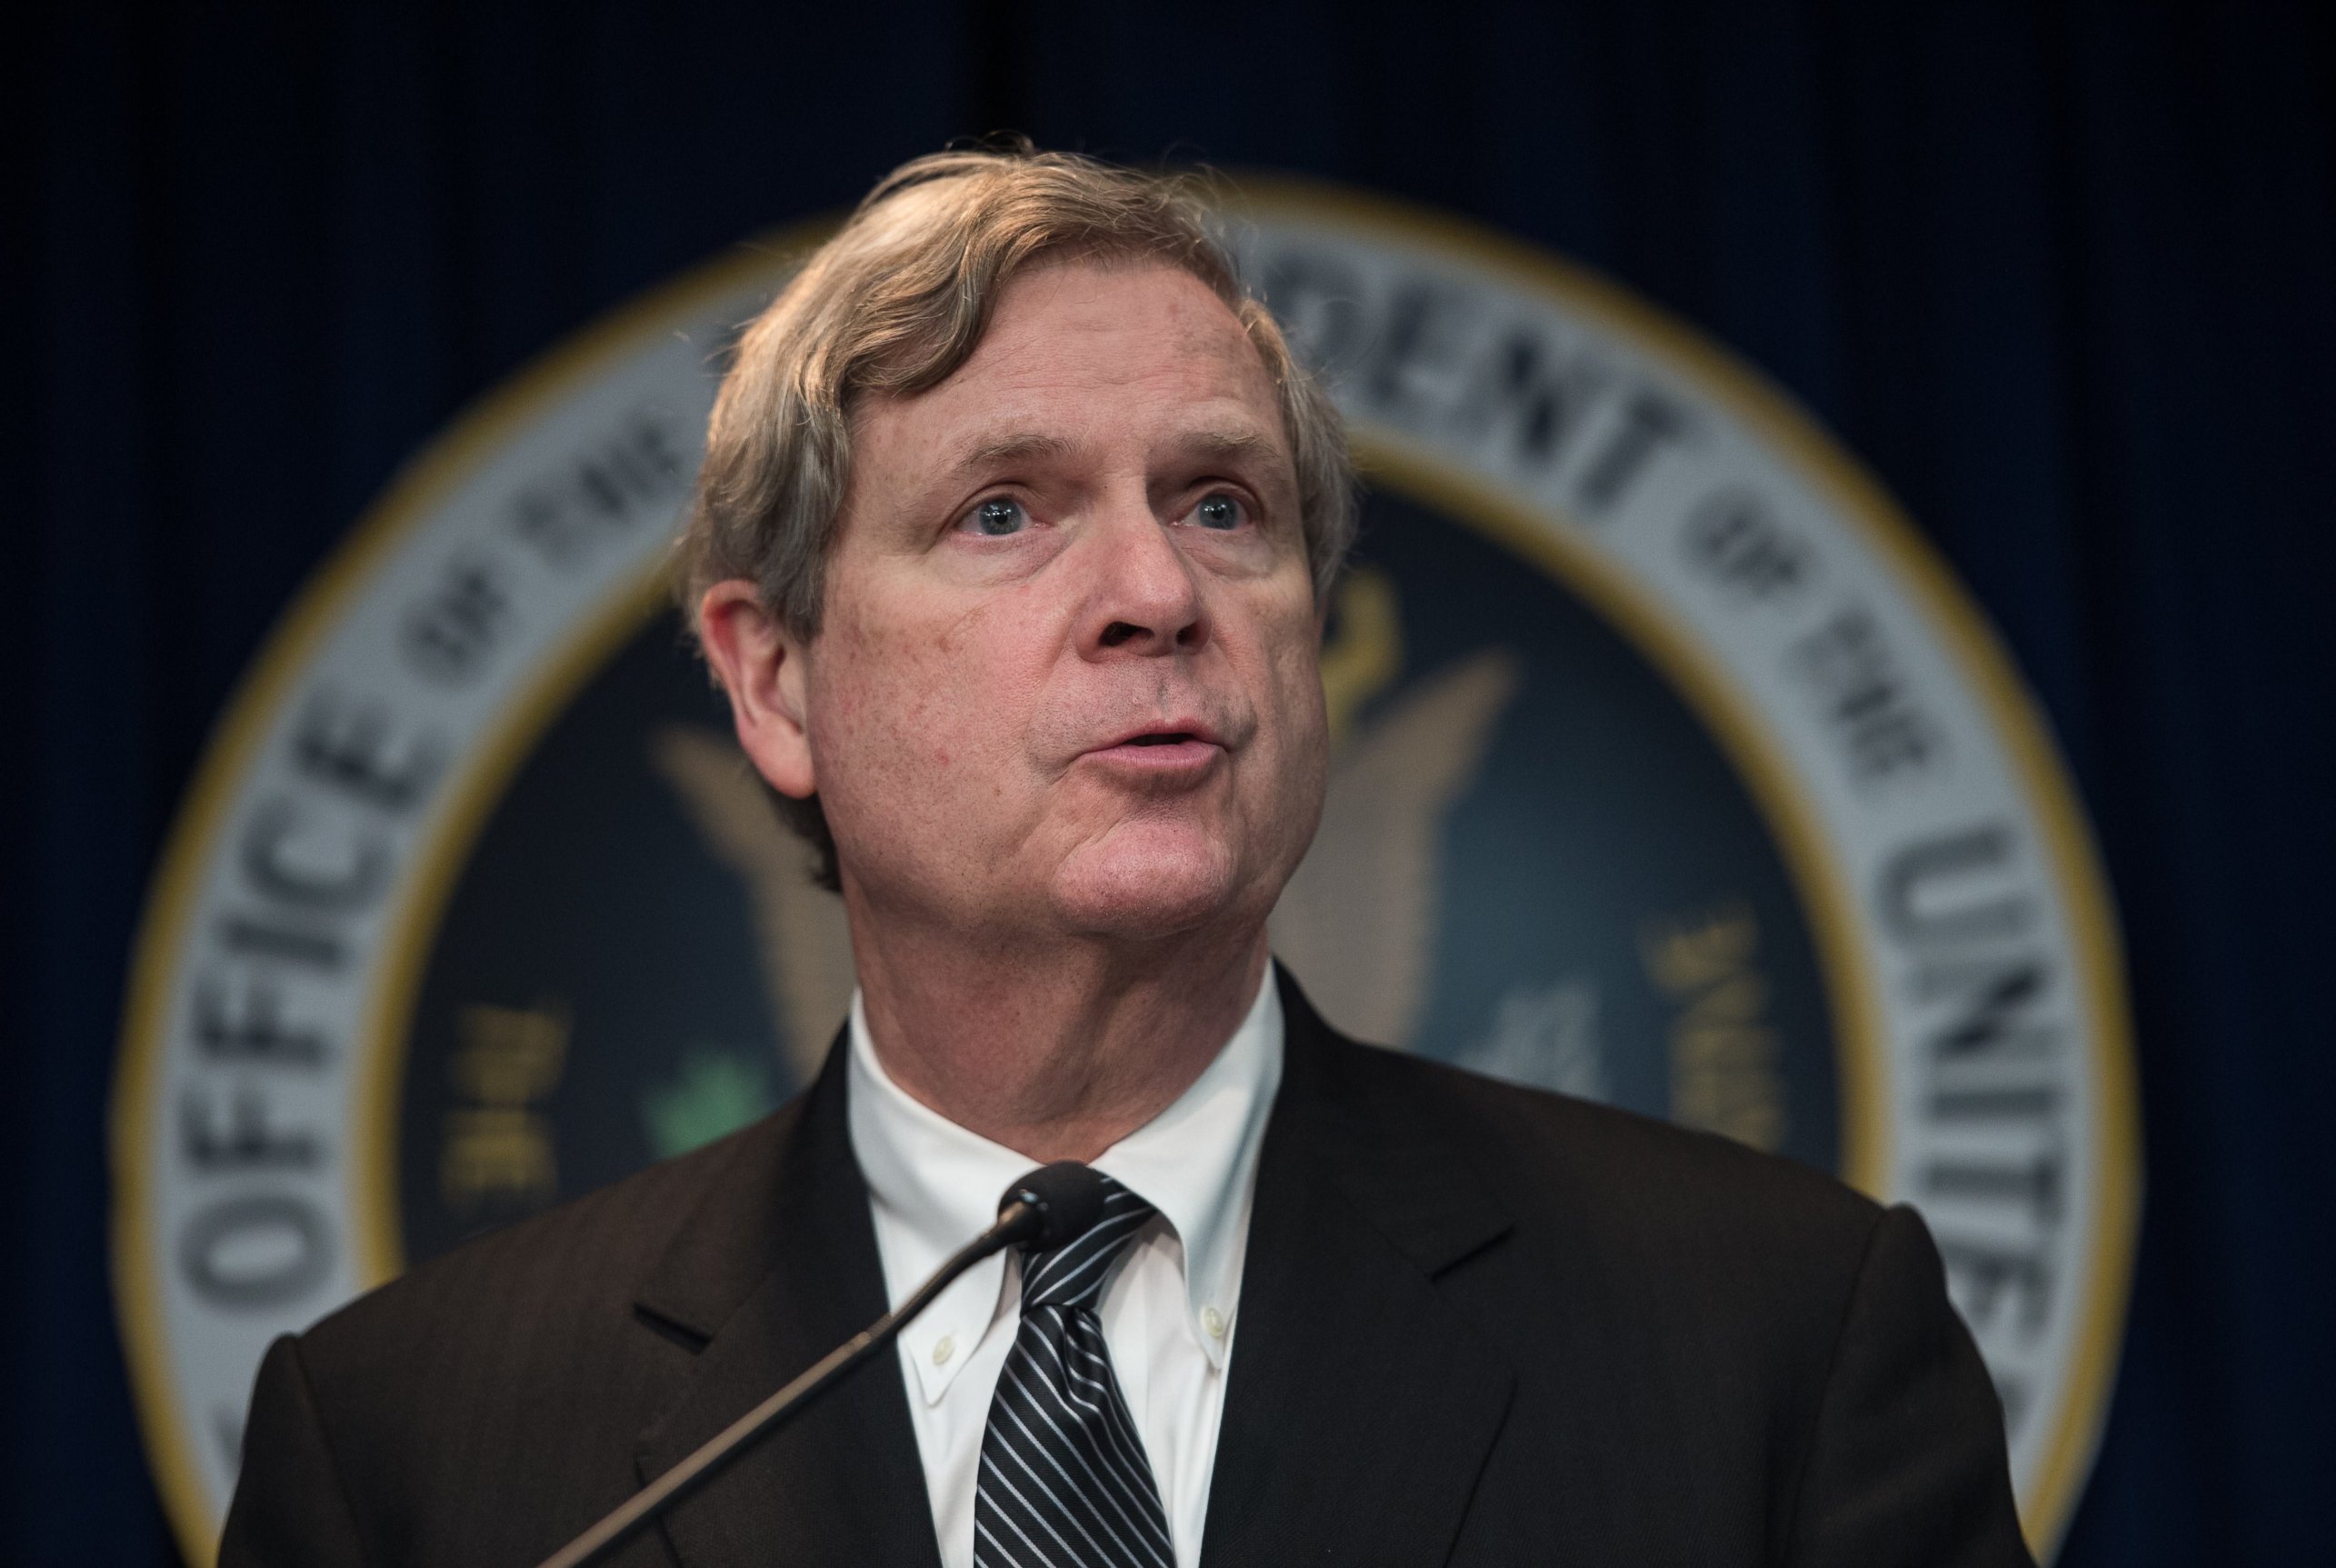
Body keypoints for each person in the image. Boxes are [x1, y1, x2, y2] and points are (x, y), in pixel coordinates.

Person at [220, 146, 2032, 1568]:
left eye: (1223, 505)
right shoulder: (412, 1448)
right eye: (1005, 509)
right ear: (776, 682)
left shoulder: (1770, 1339)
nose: (1160, 595)